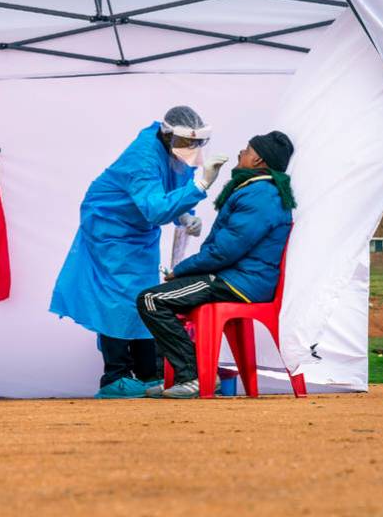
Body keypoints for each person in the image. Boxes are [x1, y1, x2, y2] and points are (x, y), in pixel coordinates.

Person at [50, 106, 229, 398]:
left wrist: (185, 214)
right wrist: (200, 186)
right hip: (109, 226)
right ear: (167, 134)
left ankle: (148, 374)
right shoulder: (143, 157)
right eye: (186, 143)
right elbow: (156, 207)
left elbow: (173, 188)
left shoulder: (175, 150)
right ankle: (115, 376)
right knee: (117, 298)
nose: (192, 150)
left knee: (146, 295)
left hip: (141, 228)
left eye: (197, 143)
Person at [137, 130, 295, 399]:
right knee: (163, 299)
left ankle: (193, 377)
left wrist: (180, 270)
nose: (240, 154)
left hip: (237, 281)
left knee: (152, 300)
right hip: (238, 278)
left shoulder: (260, 195)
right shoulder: (261, 191)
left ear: (258, 160)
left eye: (246, 150)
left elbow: (225, 251)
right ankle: (197, 375)